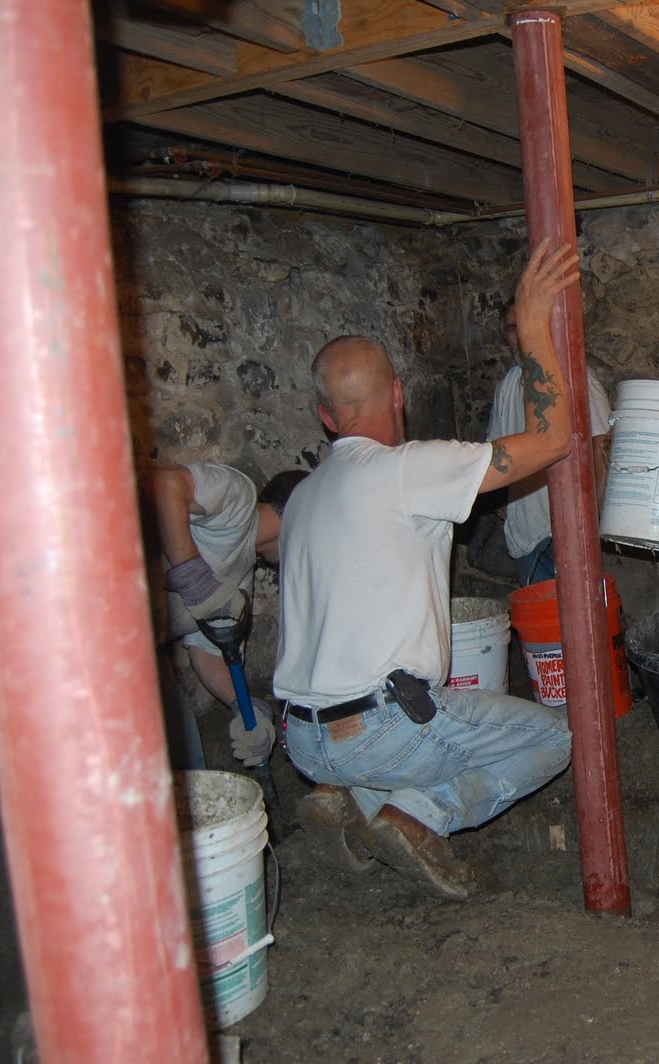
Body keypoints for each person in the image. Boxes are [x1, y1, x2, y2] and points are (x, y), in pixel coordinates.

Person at [275, 240, 581, 899]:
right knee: (555, 738)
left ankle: (349, 801)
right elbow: (554, 439)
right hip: (383, 729)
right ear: (397, 394)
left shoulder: (300, 499)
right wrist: (532, 328)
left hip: (299, 739)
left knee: (385, 744)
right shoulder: (406, 468)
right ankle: (417, 815)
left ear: (327, 418)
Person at [152, 462, 307, 769]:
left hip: (130, 655)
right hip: (84, 608)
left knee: (189, 759)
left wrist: (244, 705)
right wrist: (194, 577)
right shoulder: (239, 499)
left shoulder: (240, 580)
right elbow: (165, 484)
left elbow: (206, 653)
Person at [485, 298, 612, 586]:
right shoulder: (509, 385)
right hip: (524, 538)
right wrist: (500, 499)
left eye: (525, 326)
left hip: (564, 536)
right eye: (511, 329)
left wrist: (585, 526)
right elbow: (496, 449)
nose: (519, 337)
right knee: (540, 628)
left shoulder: (575, 379)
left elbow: (602, 449)